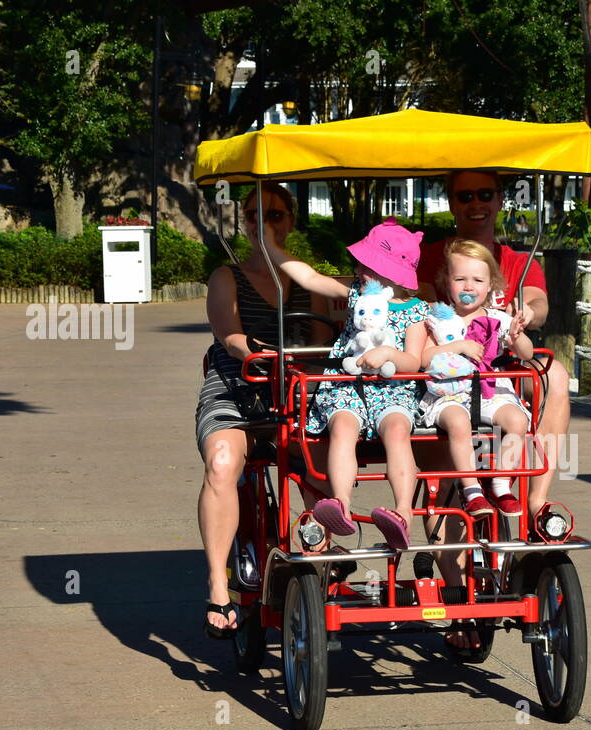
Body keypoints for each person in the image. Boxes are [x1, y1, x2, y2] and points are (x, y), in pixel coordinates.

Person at [197, 184, 347, 638]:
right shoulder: (227, 276)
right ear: (243, 223)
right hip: (240, 384)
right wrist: (258, 353)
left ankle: (320, 547)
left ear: (291, 221)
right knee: (222, 464)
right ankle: (218, 583)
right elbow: (229, 333)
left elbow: (328, 337)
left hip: (299, 386)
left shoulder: (308, 279)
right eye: (255, 215)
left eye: (277, 215)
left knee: (328, 454)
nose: (266, 223)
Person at [416, 169, 571, 527]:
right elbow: (418, 306)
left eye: (485, 195)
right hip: (446, 372)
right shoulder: (431, 257)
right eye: (465, 196)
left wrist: (526, 313)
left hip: (502, 366)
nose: (476, 204)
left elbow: (537, 303)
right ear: (452, 203)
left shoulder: (515, 260)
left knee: (555, 375)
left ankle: (537, 503)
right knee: (443, 475)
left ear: (499, 200)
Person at [270, 218, 430, 551]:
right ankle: (339, 503)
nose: (357, 269)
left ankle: (403, 511)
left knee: (398, 432)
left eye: (367, 265)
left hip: (392, 389)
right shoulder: (358, 295)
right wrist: (271, 249)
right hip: (347, 385)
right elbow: (312, 278)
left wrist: (388, 353)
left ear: (391, 273)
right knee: (342, 427)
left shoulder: (416, 311)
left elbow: (413, 361)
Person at [418, 238, 532, 520]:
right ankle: (471, 490)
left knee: (517, 421)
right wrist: (457, 347)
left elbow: (528, 354)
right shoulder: (438, 319)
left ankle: (501, 484)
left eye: (477, 280)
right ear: (447, 281)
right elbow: (423, 357)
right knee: (458, 423)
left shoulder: (498, 319)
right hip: (449, 393)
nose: (469, 286)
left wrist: (516, 338)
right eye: (460, 279)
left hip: (490, 391)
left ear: (491, 284)